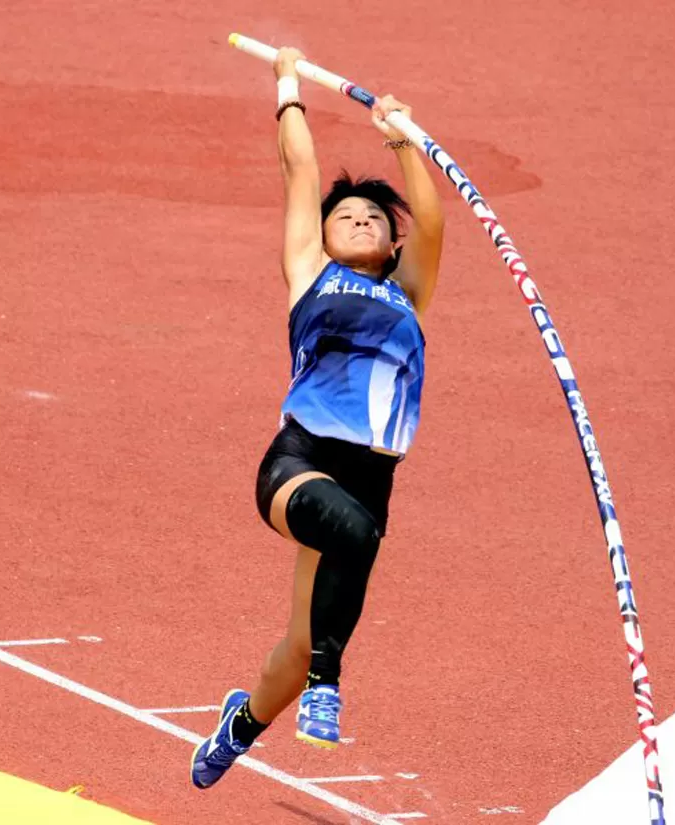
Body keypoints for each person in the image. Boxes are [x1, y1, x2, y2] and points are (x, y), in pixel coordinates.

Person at [191, 46, 444, 789]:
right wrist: (288, 85)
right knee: (353, 537)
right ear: (325, 235)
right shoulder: (311, 271)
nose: (360, 220)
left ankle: (242, 720)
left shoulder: (410, 292)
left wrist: (400, 136)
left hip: (370, 481)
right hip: (298, 462)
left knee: (299, 643)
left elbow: (429, 222)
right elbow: (299, 173)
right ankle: (330, 684)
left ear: (391, 244)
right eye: (347, 215)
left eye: (373, 217)